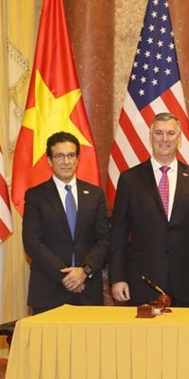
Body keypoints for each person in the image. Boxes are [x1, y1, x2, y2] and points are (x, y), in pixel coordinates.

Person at [110, 112, 189, 307]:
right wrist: (117, 277)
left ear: (179, 138)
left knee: (186, 338)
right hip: (141, 282)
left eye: (170, 133)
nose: (164, 139)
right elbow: (119, 234)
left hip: (188, 282)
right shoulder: (129, 179)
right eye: (159, 133)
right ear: (150, 136)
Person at [22, 131, 110, 314]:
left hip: (87, 290)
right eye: (59, 156)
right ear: (49, 160)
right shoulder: (35, 196)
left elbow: (104, 239)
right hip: (48, 290)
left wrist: (83, 271)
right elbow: (32, 242)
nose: (66, 161)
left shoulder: (95, 194)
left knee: (89, 343)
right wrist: (67, 277)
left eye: (71, 155)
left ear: (78, 159)